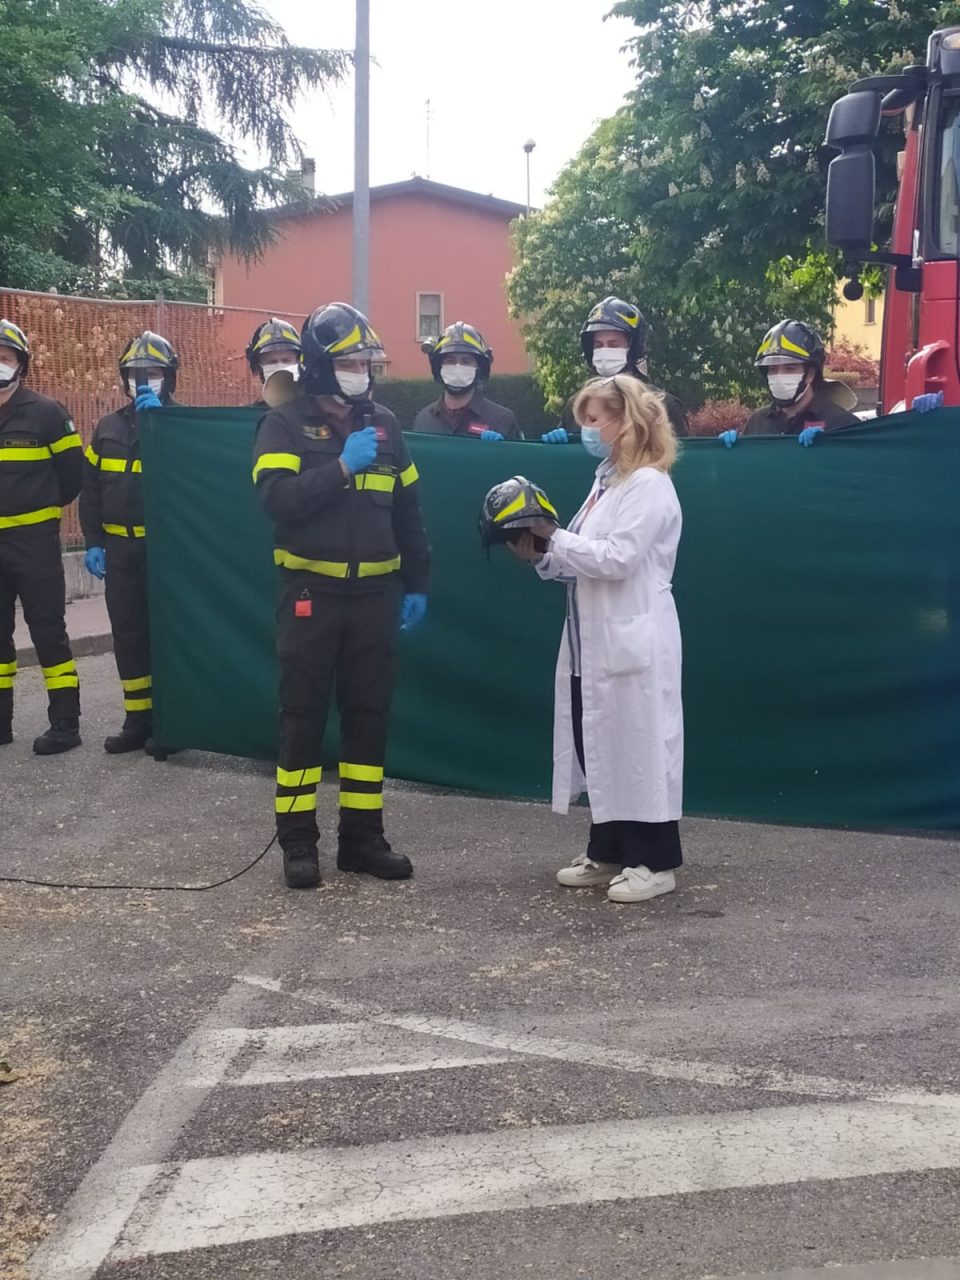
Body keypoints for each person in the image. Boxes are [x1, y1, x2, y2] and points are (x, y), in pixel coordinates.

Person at [253, 301, 431, 890]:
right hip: (311, 595)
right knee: (302, 718)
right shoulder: (282, 423)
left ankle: (362, 838)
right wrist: (341, 470)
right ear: (322, 367)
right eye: (352, 360)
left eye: (367, 360)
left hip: (376, 597)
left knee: (368, 717)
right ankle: (298, 843)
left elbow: (408, 511)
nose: (363, 370)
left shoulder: (385, 424)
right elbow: (276, 501)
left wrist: (418, 583)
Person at [512, 375, 684, 904]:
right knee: (600, 744)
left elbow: (618, 558)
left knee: (640, 746)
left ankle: (655, 862)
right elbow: (581, 560)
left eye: (594, 419)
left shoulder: (649, 485)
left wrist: (553, 535)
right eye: (583, 418)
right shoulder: (606, 481)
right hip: (593, 638)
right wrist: (540, 554)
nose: (586, 429)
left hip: (633, 636)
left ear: (625, 421)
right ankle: (608, 849)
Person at [80, 331, 179, 752]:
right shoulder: (107, 427)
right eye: (135, 373)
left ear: (169, 378)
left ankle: (171, 724)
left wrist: (162, 428)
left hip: (165, 552)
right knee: (129, 635)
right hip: (119, 551)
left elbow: (184, 485)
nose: (143, 380)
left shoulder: (182, 426)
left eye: (153, 372)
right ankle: (137, 720)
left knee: (167, 635)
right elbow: (91, 488)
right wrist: (93, 540)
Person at [0, 319, 83, 753]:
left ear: (20, 365)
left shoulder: (48, 414)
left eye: (5, 357)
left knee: (48, 630)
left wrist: (43, 511)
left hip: (34, 545)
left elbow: (73, 475)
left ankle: (65, 725)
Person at [542, 296, 689, 443]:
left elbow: (683, 460)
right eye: (598, 345)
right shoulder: (577, 405)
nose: (605, 351)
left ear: (633, 348)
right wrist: (554, 448)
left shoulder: (662, 405)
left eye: (613, 344)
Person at [719, 320, 859, 447]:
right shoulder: (758, 420)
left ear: (810, 374)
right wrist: (728, 453)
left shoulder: (841, 424)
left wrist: (828, 448)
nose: (779, 376)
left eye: (789, 368)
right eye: (773, 369)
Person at [412, 322, 522, 440]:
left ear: (479, 369)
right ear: (439, 367)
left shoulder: (502, 419)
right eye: (450, 360)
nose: (457, 367)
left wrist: (504, 451)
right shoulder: (423, 419)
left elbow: (520, 457)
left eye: (466, 361)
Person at [246, 317, 302, 408]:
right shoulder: (249, 417)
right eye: (271, 362)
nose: (280, 366)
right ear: (258, 367)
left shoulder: (318, 410)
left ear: (299, 361)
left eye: (286, 360)